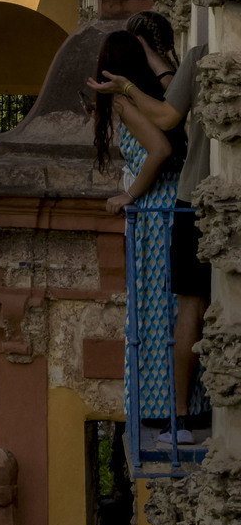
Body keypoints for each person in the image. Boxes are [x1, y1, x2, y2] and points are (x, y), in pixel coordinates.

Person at [88, 26, 210, 446]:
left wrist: (128, 194)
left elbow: (158, 147)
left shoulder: (125, 102)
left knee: (161, 317)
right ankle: (187, 408)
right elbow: (170, 83)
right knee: (177, 314)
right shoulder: (156, 94)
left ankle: (170, 413)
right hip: (171, 209)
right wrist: (146, 52)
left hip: (159, 217)